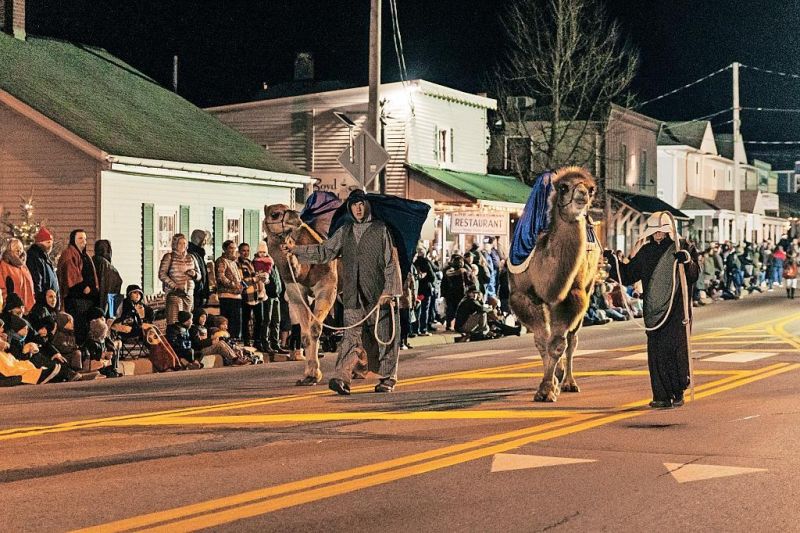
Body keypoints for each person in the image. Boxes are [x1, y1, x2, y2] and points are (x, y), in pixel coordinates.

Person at [281, 189, 402, 395]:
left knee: (384, 335)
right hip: (353, 294)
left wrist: (390, 291)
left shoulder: (380, 230)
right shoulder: (345, 231)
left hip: (379, 295)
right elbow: (324, 251)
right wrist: (296, 250)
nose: (359, 209)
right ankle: (341, 377)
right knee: (350, 338)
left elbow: (391, 262)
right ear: (350, 208)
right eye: (355, 205)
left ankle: (388, 377)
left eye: (362, 204)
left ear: (367, 206)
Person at [605, 212, 699, 409]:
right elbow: (629, 275)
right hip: (653, 311)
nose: (657, 235)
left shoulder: (683, 248)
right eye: (654, 231)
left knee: (674, 351)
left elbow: (693, 275)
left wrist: (687, 261)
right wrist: (613, 262)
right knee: (656, 353)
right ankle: (661, 396)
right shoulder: (646, 251)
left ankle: (678, 391)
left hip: (676, 311)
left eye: (661, 231)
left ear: (669, 231)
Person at [57, 229, 99, 344]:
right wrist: (84, 287)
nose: (83, 241)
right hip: (76, 300)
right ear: (73, 240)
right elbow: (71, 276)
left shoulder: (85, 255)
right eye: (80, 238)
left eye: (85, 239)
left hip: (87, 300)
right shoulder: (69, 254)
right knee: (78, 328)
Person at [159, 233, 201, 326]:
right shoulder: (169, 257)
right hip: (174, 293)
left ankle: (185, 338)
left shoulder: (191, 257)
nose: (183, 246)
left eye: (184, 243)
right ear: (175, 244)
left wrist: (194, 274)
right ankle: (174, 338)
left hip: (189, 293)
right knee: (175, 320)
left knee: (187, 320)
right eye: (180, 243)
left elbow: (199, 276)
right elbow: (162, 274)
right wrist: (174, 286)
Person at [237, 242, 267, 348]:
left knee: (260, 319)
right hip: (246, 295)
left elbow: (255, 276)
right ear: (239, 251)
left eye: (247, 250)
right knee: (246, 320)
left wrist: (261, 278)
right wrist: (255, 279)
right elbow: (242, 282)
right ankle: (246, 341)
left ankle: (257, 341)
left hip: (255, 295)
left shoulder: (250, 263)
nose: (246, 253)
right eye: (243, 251)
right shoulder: (238, 263)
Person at [215, 240, 244, 340]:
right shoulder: (221, 261)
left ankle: (235, 340)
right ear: (225, 249)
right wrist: (233, 285)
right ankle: (227, 340)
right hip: (227, 295)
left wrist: (241, 285)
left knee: (236, 323)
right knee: (228, 322)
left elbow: (238, 277)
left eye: (234, 248)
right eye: (231, 248)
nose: (233, 250)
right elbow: (221, 277)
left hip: (237, 296)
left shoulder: (234, 262)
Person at [26, 226, 59, 308]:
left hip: (49, 302)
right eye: (48, 242)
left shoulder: (45, 257)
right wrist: (41, 300)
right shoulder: (34, 257)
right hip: (43, 303)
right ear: (40, 243)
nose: (51, 245)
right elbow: (36, 280)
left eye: (51, 242)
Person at [0, 237, 36, 313]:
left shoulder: (23, 266)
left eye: (20, 248)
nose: (19, 250)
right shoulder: (4, 265)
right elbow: (2, 287)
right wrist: (7, 305)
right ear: (9, 249)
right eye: (15, 248)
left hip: (28, 309)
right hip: (13, 309)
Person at [92, 240, 123, 318]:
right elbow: (118, 281)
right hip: (108, 303)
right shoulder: (107, 265)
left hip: (94, 301)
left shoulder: (92, 261)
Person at [441, 254, 472, 331]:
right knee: (460, 310)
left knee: (450, 310)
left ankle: (448, 325)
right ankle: (459, 325)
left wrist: (443, 293)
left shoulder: (447, 271)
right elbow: (468, 282)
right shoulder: (463, 271)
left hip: (450, 293)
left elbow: (443, 283)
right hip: (460, 293)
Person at [413, 248, 435, 336]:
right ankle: (423, 329)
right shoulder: (426, 262)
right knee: (425, 309)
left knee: (417, 309)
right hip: (426, 289)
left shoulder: (414, 263)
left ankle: (415, 329)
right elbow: (432, 277)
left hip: (417, 289)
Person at [188, 230, 211, 309]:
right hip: (195, 293)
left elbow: (203, 275)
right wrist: (201, 292)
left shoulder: (199, 254)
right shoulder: (191, 254)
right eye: (204, 240)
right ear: (198, 239)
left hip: (199, 293)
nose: (205, 242)